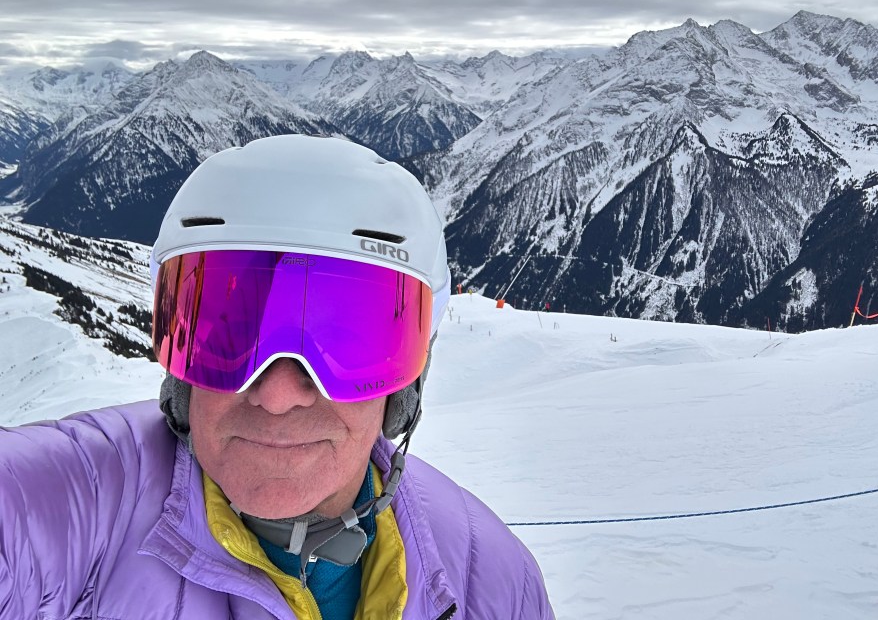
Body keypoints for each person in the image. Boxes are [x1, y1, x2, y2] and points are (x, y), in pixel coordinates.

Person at [0, 135, 555, 619]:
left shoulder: (492, 582)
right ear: (180, 382)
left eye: (347, 343)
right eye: (227, 337)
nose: (277, 394)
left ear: (403, 391)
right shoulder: (80, 507)